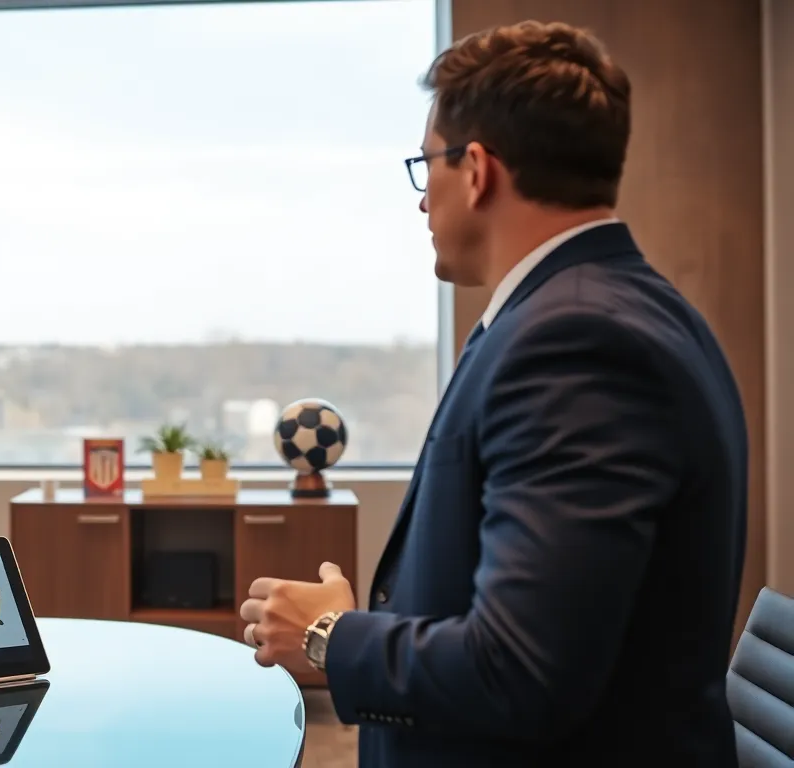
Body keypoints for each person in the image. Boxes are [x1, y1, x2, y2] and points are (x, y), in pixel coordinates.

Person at [239, 20, 747, 767]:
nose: (421, 203)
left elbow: (523, 671)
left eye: (425, 167)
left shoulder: (575, 341)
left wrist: (329, 636)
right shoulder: (604, 310)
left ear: (476, 169)